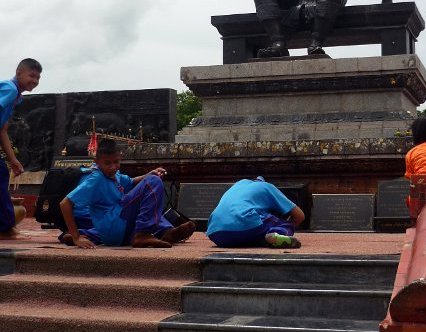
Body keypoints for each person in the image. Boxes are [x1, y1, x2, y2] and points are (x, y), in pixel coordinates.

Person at [60, 138, 195, 248]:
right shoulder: (96, 178)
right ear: (97, 162)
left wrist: (150, 173)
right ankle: (144, 234)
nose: (112, 167)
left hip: (117, 232)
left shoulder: (115, 175)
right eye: (107, 163)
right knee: (153, 183)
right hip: (113, 225)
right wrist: (77, 237)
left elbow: (130, 182)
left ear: (121, 158)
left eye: (116, 162)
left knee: (149, 202)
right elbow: (65, 203)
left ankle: (167, 232)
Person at [0, 58, 42, 239]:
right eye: (31, 75)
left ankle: (6, 228)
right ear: (19, 73)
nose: (35, 81)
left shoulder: (15, 96)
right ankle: (4, 228)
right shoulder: (9, 89)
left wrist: (13, 160)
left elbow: (2, 130)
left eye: (38, 78)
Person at [206, 177, 305, 249]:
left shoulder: (238, 185)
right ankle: (276, 233)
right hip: (245, 222)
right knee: (285, 224)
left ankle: (262, 238)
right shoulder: (266, 186)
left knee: (253, 230)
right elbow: (299, 216)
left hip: (215, 233)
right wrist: (289, 224)